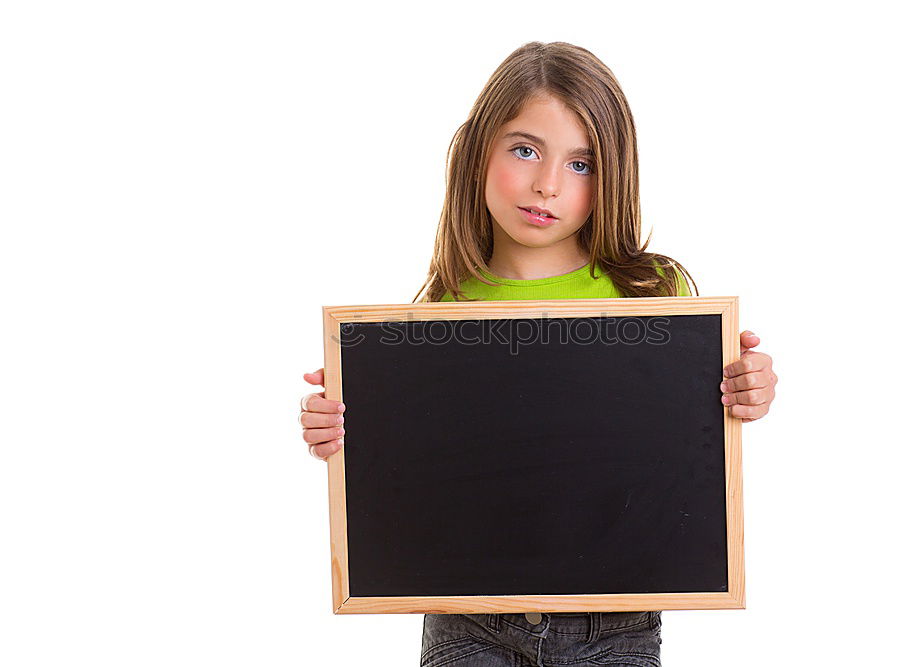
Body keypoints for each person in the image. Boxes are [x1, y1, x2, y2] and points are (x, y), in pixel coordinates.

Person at [299, 41, 777, 667]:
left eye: (581, 164)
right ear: (478, 154)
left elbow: (687, 438)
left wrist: (747, 390)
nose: (547, 185)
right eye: (525, 150)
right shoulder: (441, 311)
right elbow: (414, 473)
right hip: (467, 624)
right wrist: (340, 433)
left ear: (613, 176)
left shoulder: (654, 293)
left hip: (616, 625)